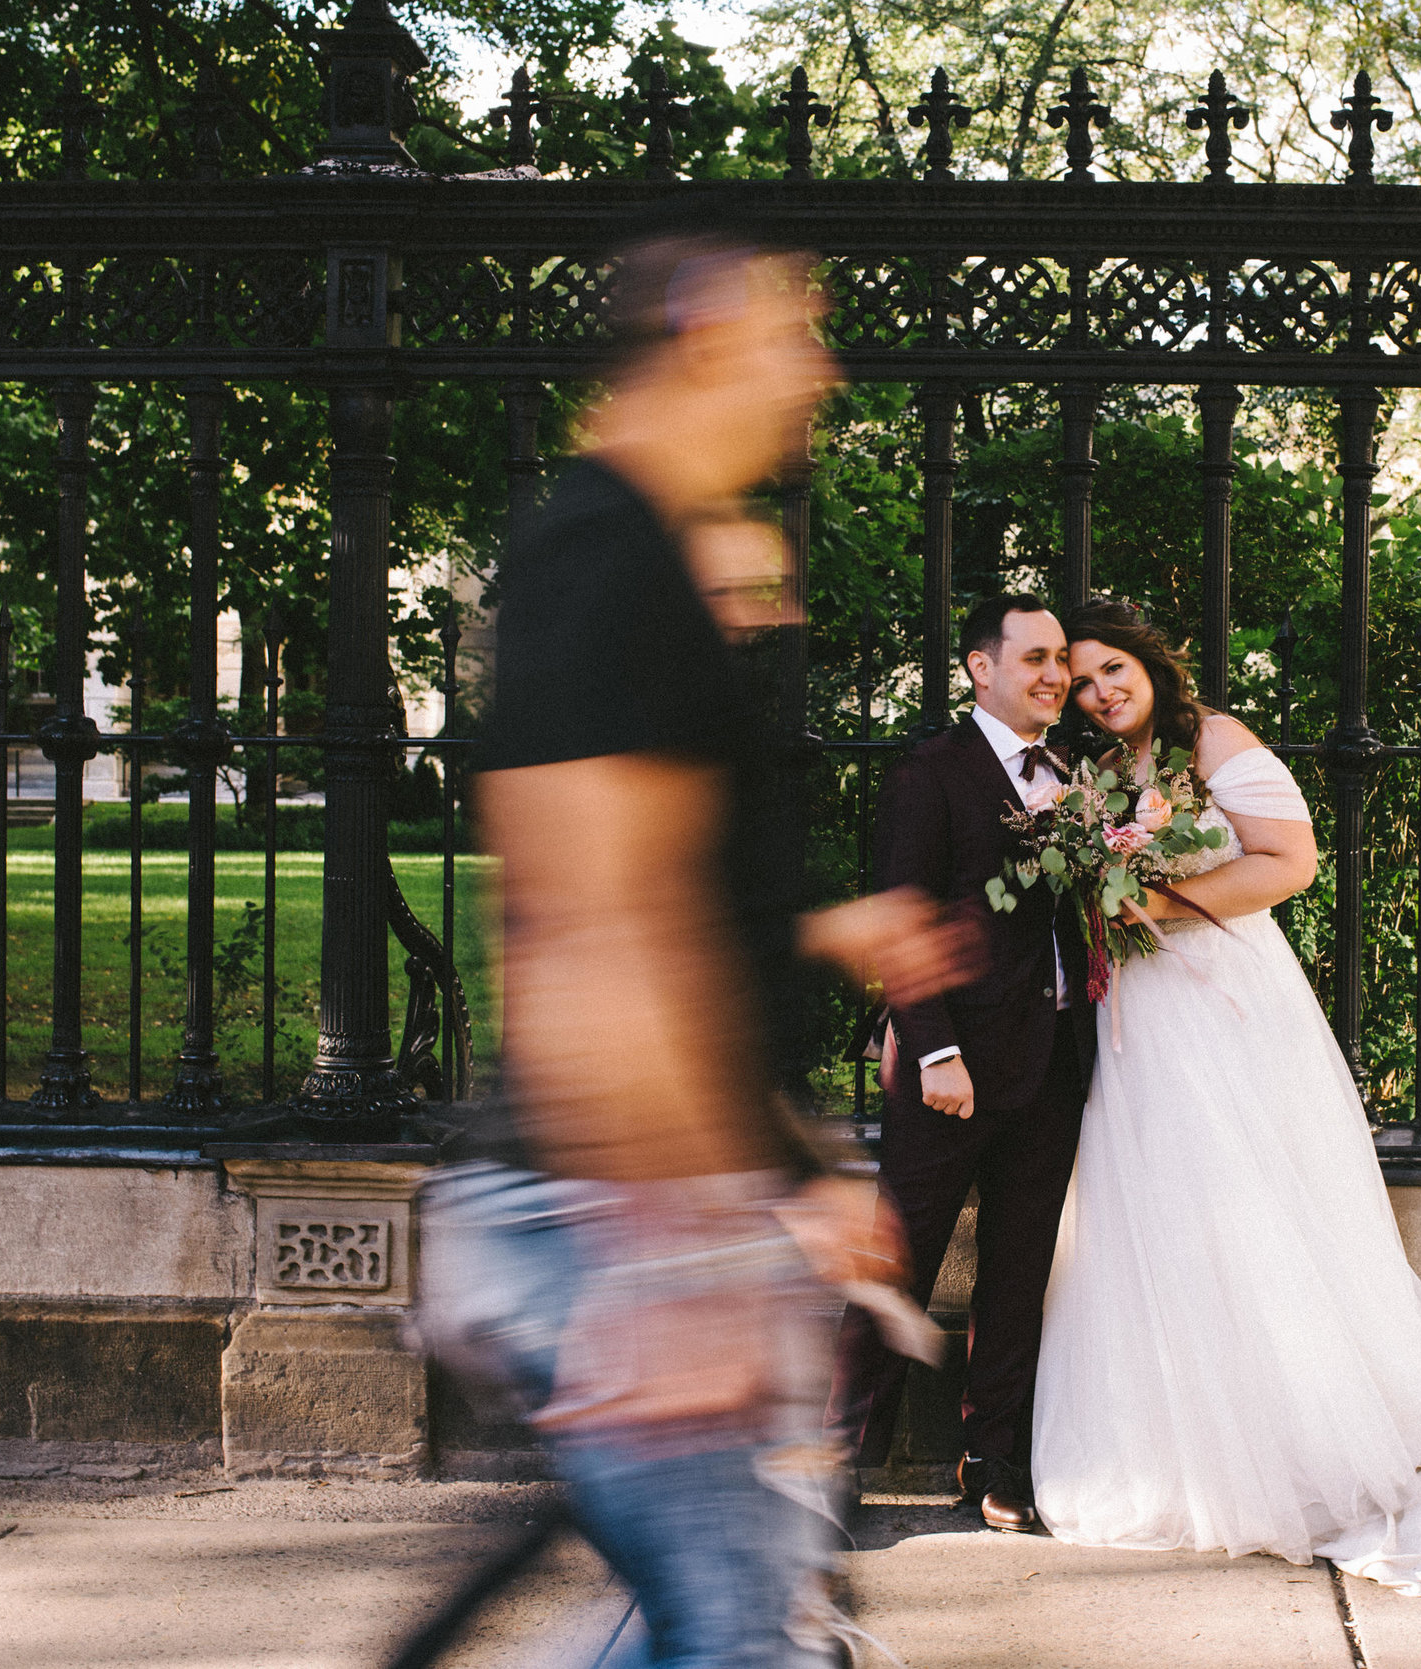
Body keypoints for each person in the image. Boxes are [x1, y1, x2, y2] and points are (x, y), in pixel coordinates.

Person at [427, 218, 974, 1669]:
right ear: (708, 335)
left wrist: (792, 1164)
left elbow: (680, 924)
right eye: (799, 332)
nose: (823, 372)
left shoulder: (641, 556)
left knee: (716, 1625)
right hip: (608, 1220)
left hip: (634, 1207)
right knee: (738, 1636)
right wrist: (672, 1260)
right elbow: (588, 940)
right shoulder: (604, 553)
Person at [1029, 599, 1421, 1597]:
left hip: (1222, 999)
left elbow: (1290, 862)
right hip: (1140, 1013)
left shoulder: (1217, 739)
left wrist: (1147, 898)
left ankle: (1311, 1441)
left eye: (1114, 669)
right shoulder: (1103, 772)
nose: (1100, 690)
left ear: (1148, 663)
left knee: (1248, 1212)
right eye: (1082, 681)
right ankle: (1190, 1447)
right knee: (1159, 1216)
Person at [832, 594, 1096, 1534]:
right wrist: (936, 1048)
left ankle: (994, 1462)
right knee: (896, 1260)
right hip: (951, 1068)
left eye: (1061, 658)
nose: (1055, 674)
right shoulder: (932, 772)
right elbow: (900, 919)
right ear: (982, 668)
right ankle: (837, 1461)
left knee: (1018, 1272)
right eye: (1035, 658)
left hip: (1052, 1064)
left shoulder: (1073, 773)